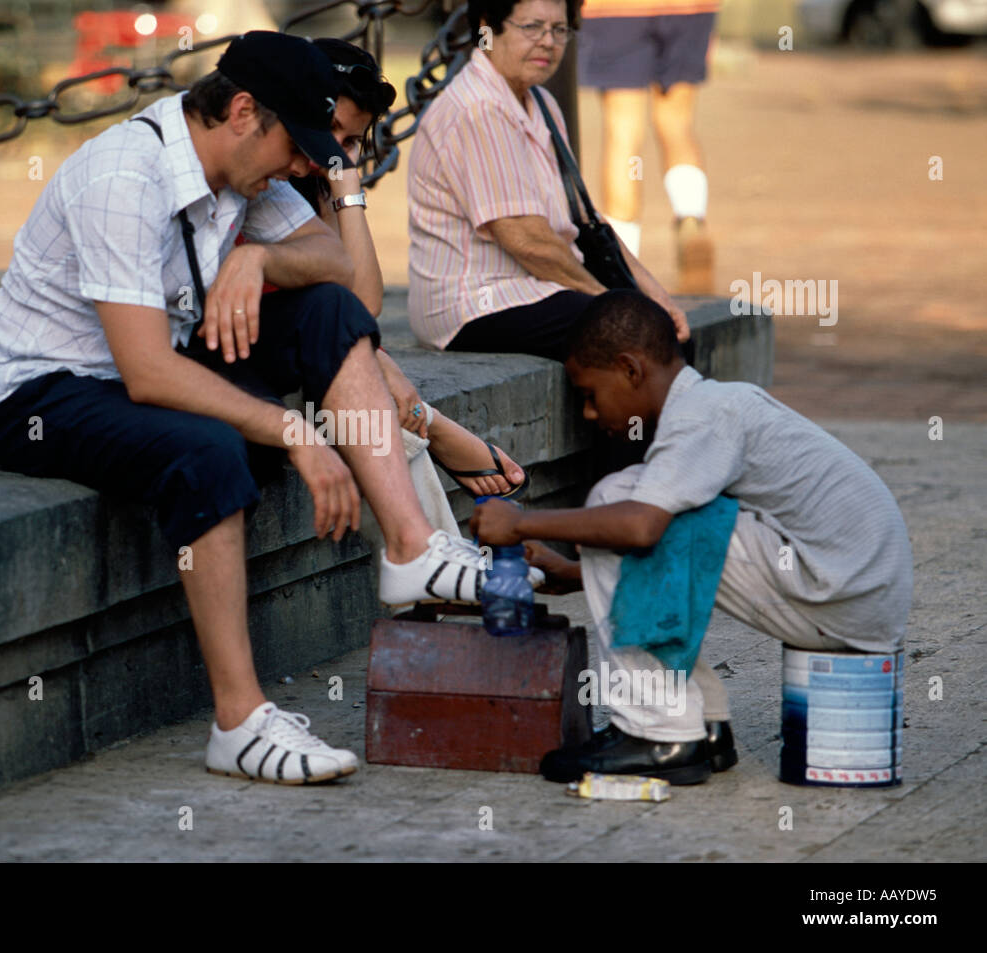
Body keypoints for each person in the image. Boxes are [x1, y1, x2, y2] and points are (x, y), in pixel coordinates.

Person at [0, 31, 491, 786]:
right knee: (209, 450)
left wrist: (258, 256)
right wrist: (295, 433)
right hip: (43, 392)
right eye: (299, 148)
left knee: (328, 320)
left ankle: (412, 550)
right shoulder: (126, 175)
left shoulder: (244, 174)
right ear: (243, 111)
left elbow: (347, 281)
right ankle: (240, 723)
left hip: (145, 368)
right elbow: (146, 372)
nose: (307, 167)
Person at [470, 290, 913, 784]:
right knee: (631, 509)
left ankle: (659, 731)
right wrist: (577, 573)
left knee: (618, 503)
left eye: (590, 395)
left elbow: (639, 530)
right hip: (854, 593)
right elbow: (681, 546)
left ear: (630, 369)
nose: (591, 415)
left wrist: (519, 523)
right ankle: (704, 727)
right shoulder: (716, 403)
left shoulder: (701, 417)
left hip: (841, 594)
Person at [289, 37, 528, 502]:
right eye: (329, 129)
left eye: (352, 140)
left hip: (321, 356)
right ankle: (434, 442)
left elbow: (360, 307)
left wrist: (345, 185)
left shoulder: (321, 181)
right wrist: (387, 370)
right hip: (266, 372)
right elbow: (354, 310)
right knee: (389, 421)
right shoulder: (274, 180)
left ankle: (431, 557)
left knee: (382, 411)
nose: (334, 151)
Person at [407, 0, 689, 362]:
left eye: (559, 30)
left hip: (536, 290)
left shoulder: (541, 102)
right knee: (639, 342)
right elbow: (528, 241)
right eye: (531, 27)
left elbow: (585, 219)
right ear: (488, 28)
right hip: (476, 304)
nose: (548, 42)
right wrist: (610, 303)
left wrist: (655, 295)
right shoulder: (477, 109)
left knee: (669, 334)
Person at [578, 0, 721, 294]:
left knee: (623, 132)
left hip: (616, 11)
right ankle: (690, 218)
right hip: (689, 8)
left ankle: (623, 262)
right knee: (677, 121)